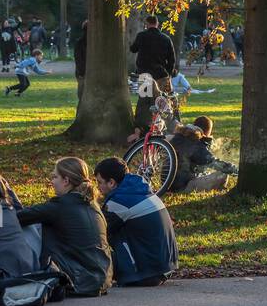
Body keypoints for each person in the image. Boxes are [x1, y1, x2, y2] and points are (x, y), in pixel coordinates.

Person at [16, 157, 113, 296]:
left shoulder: (60, 206)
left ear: (66, 180)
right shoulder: (94, 206)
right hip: (101, 279)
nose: (52, 181)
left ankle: (23, 271)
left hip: (75, 281)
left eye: (55, 177)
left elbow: (17, 217)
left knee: (30, 226)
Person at [95, 156, 177, 287]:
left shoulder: (119, 202)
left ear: (111, 182)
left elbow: (97, 232)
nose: (97, 187)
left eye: (99, 182)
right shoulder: (141, 190)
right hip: (165, 267)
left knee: (91, 248)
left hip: (145, 274)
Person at [167, 117, 238, 191]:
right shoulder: (195, 142)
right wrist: (236, 170)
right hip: (183, 186)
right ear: (207, 132)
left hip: (167, 184)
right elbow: (212, 162)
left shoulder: (179, 136)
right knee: (223, 174)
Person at [131, 15, 177, 127]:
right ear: (157, 24)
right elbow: (172, 59)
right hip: (161, 75)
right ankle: (168, 125)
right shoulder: (166, 38)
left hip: (145, 75)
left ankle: (142, 125)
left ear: (146, 24)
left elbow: (133, 49)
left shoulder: (141, 36)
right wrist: (168, 74)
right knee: (164, 102)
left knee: (144, 102)